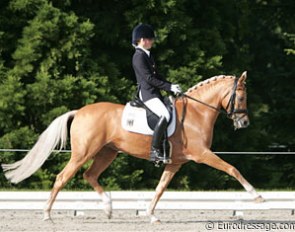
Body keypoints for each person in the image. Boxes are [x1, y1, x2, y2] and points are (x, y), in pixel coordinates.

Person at [131, 23, 182, 164]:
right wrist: (169, 87)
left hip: (155, 93)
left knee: (172, 109)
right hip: (147, 94)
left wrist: (171, 86)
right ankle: (154, 151)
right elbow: (149, 79)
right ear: (142, 40)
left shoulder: (148, 55)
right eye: (150, 39)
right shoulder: (138, 56)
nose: (152, 41)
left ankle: (166, 147)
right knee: (164, 115)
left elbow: (157, 76)